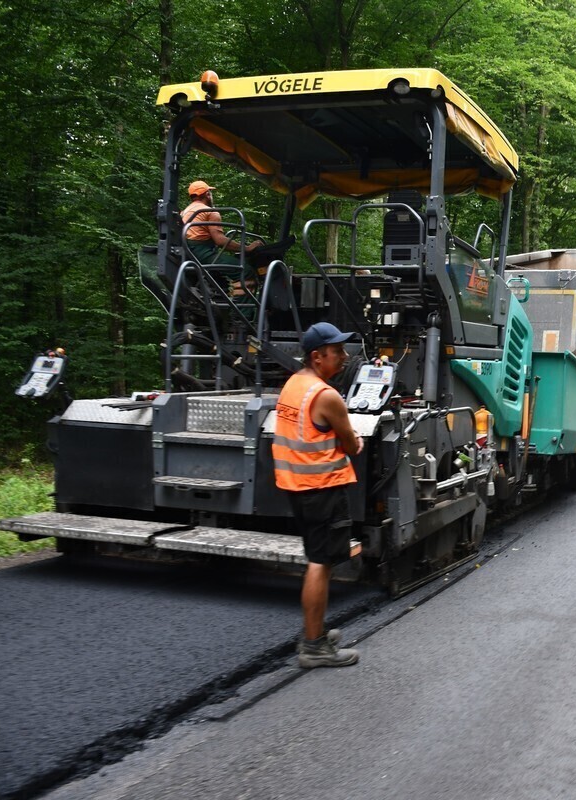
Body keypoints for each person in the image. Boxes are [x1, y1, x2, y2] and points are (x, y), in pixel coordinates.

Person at [273, 322, 364, 669]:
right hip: (322, 488)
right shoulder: (326, 396)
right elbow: (351, 444)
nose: (343, 356)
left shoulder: (295, 384)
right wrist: (357, 441)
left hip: (297, 485)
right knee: (320, 563)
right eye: (337, 351)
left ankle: (315, 632)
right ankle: (314, 647)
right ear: (317, 356)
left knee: (317, 558)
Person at [181, 180, 260, 267]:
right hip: (202, 254)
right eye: (210, 193)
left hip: (188, 254)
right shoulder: (210, 212)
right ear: (208, 194)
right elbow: (220, 241)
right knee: (247, 273)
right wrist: (247, 248)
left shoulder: (184, 212)